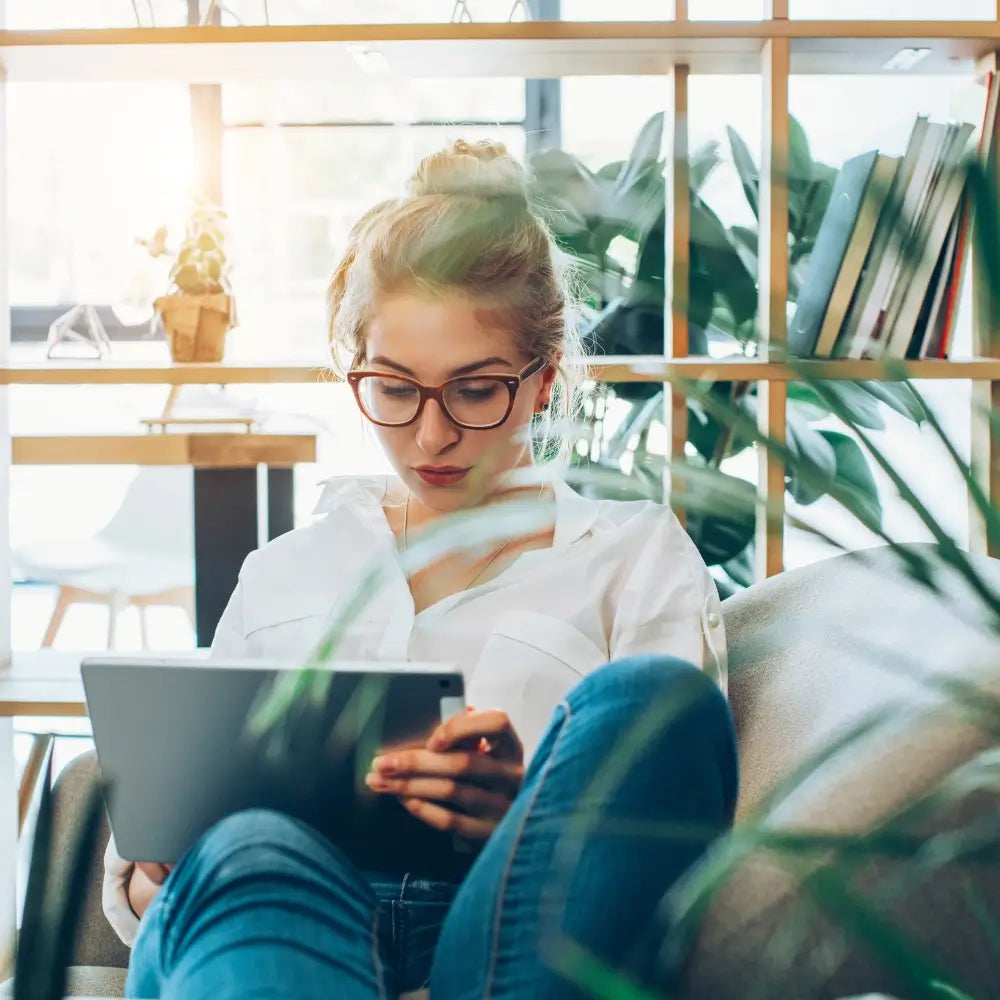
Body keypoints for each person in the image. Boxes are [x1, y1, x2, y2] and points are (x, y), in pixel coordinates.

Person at [102, 139, 738, 999]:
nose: (431, 437)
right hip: (281, 918)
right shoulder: (284, 571)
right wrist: (159, 860)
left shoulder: (632, 555)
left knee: (655, 702)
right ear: (354, 366)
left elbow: (660, 840)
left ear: (543, 380)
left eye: (475, 391)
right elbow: (151, 882)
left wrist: (520, 820)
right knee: (256, 844)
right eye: (394, 389)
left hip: (504, 925)